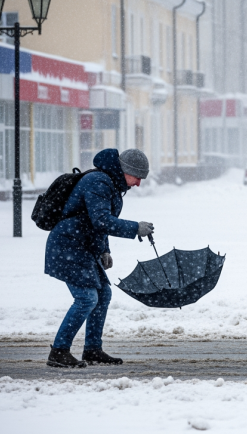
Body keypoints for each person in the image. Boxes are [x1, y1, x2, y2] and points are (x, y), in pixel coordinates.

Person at [44, 148, 155, 368]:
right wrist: (135, 228)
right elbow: (101, 220)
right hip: (68, 245)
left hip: (82, 246)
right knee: (86, 298)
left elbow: (98, 222)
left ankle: (92, 350)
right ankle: (59, 351)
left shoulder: (112, 184)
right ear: (126, 170)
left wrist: (104, 249)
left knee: (103, 294)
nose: (139, 184)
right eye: (138, 177)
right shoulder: (98, 182)